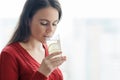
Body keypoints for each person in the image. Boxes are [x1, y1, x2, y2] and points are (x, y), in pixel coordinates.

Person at [0, 0, 66, 80]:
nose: (50, 29)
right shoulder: (9, 55)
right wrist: (42, 73)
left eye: (54, 24)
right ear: (28, 20)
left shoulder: (49, 50)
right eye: (44, 23)